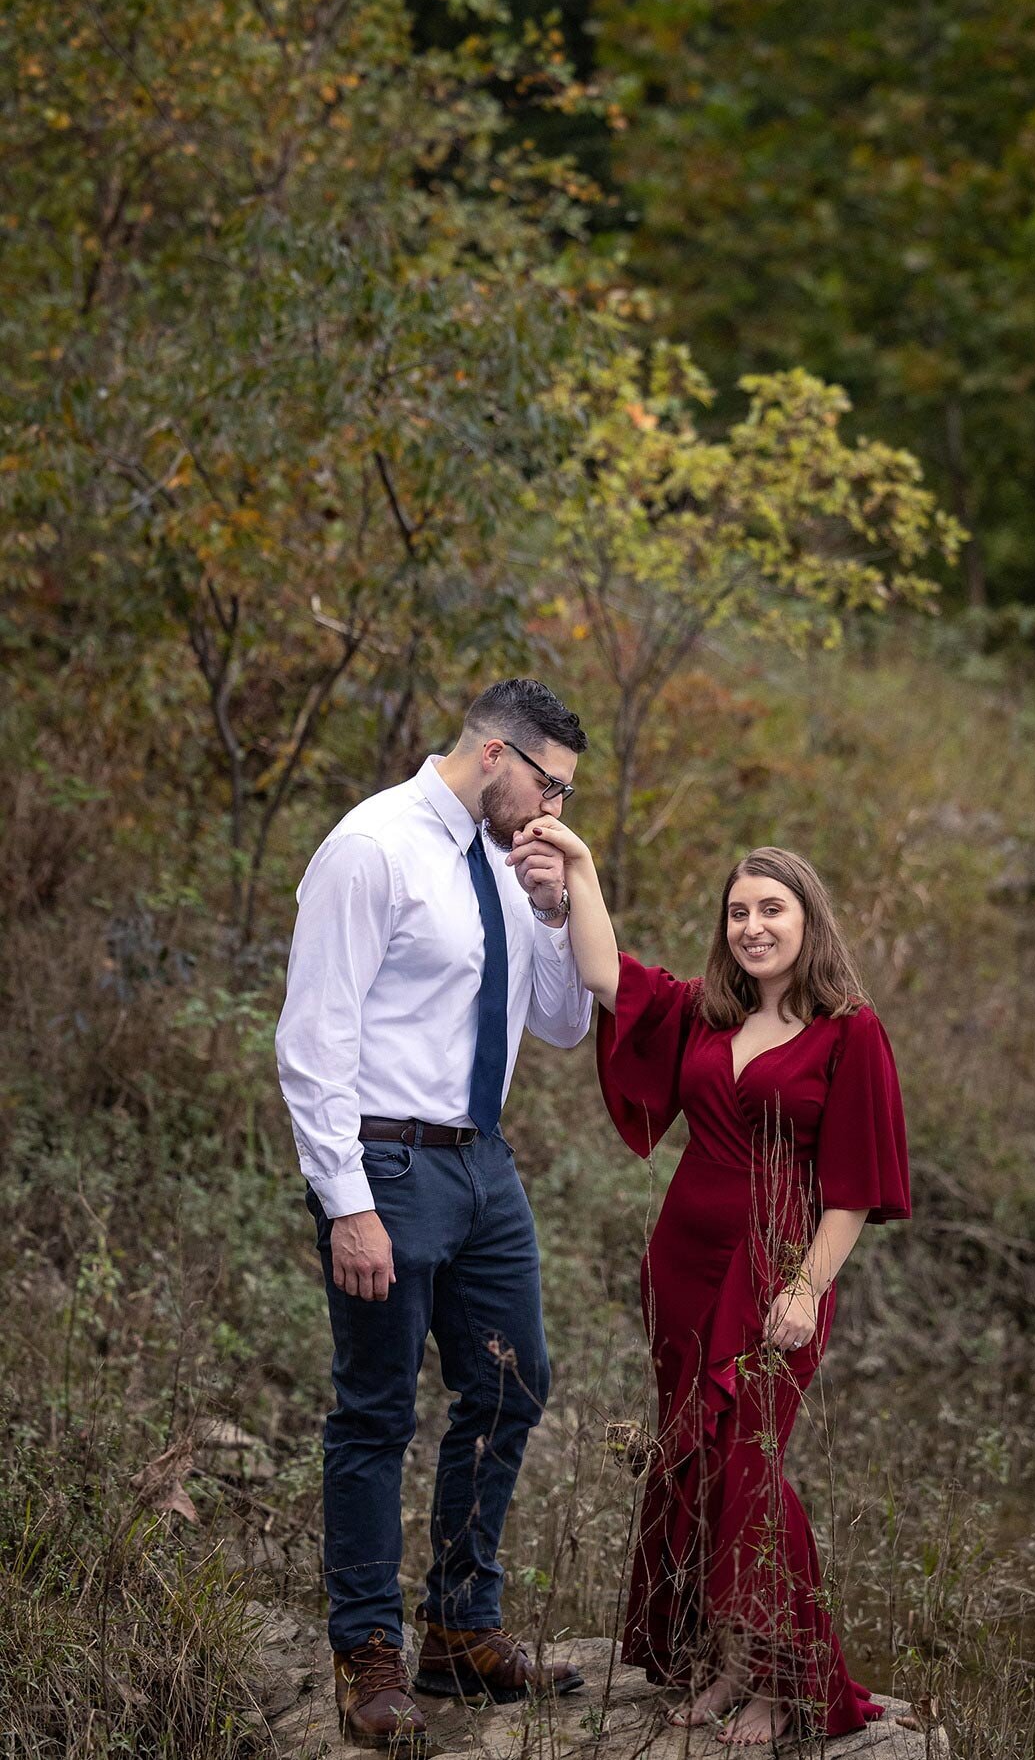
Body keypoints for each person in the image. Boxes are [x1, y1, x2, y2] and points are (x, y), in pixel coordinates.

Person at [506, 820, 910, 1746]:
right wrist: (581, 866)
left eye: (773, 909)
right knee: (691, 1460)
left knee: (749, 1467)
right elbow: (608, 976)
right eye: (738, 911)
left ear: (810, 920)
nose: (753, 927)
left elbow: (851, 1192)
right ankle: (722, 1661)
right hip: (682, 1268)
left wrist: (806, 1288)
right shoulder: (704, 1010)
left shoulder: (852, 1031)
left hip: (777, 1275)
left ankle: (780, 1679)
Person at [275, 679, 594, 1755]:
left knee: (512, 1381)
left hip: (482, 1166)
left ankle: (460, 1624)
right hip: (387, 1158)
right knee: (374, 1411)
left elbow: (556, 1024)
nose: (554, 810)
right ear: (497, 754)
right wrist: (346, 1203)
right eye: (549, 786)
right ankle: (366, 1652)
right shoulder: (373, 847)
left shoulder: (507, 866)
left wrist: (552, 908)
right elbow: (313, 1039)